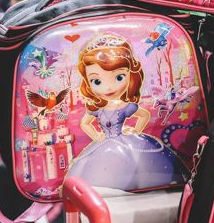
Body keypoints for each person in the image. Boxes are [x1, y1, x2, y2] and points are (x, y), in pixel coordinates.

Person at [68, 34, 186, 190]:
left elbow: (144, 115)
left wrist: (135, 131)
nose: (108, 87)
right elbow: (85, 123)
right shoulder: (97, 108)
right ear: (88, 83)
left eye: (119, 77)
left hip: (126, 142)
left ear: (131, 76)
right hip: (104, 144)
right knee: (98, 174)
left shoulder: (124, 105)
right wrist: (96, 136)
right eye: (97, 81)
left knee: (138, 167)